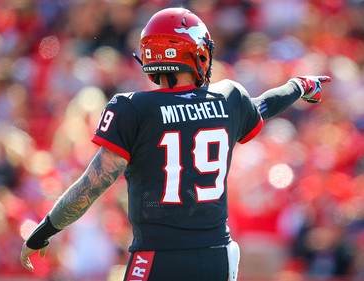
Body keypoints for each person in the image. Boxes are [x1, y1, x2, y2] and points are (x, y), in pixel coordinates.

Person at [20, 7, 331, 281]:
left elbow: (91, 186)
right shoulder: (228, 99)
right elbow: (263, 105)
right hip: (217, 256)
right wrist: (299, 86)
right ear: (196, 53)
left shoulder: (133, 108)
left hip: (157, 258)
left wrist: (44, 231)